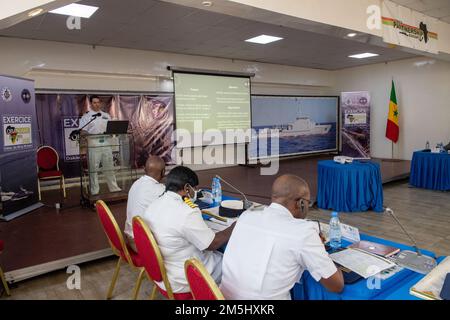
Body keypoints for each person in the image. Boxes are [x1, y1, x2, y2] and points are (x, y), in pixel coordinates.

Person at [220, 174, 344, 300]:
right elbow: (336, 285)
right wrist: (321, 249)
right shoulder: (303, 232)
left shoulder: (246, 216)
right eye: (308, 202)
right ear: (300, 203)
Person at [142, 166, 235, 294]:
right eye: (195, 188)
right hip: (184, 277)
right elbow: (211, 244)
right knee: (233, 264)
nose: (196, 191)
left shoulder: (154, 204)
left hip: (164, 273)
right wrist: (234, 227)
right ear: (187, 188)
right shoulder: (187, 212)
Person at [78, 95, 121, 195]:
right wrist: (89, 135)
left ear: (100, 103)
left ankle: (113, 187)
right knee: (93, 169)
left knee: (109, 167)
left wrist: (114, 131)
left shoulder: (106, 115)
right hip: (93, 144)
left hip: (106, 143)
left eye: (98, 102)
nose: (97, 104)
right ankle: (94, 190)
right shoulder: (86, 117)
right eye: (94, 102)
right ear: (91, 104)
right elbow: (82, 131)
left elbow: (112, 129)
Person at [125, 156, 166, 251]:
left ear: (144, 169)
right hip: (144, 246)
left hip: (130, 238)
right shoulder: (160, 190)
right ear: (163, 172)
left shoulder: (136, 184)